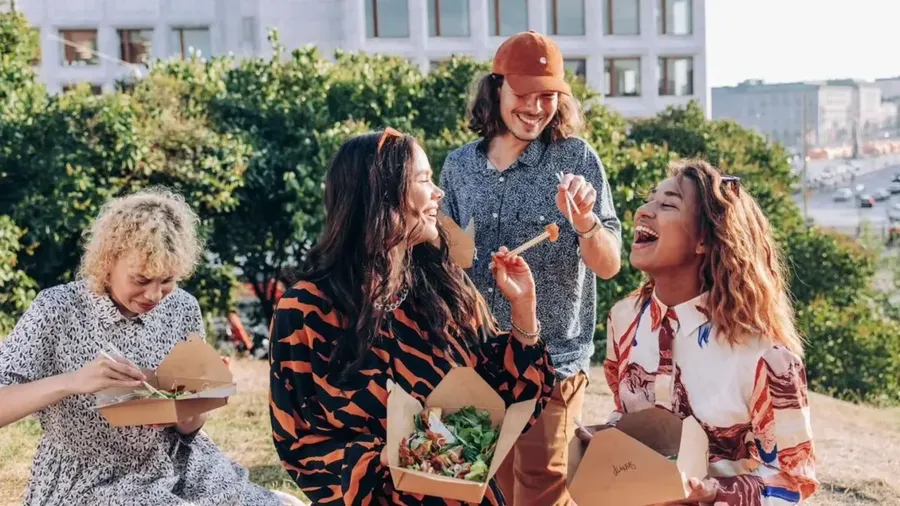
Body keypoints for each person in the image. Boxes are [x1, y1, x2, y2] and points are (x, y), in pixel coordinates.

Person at [268, 129, 556, 505]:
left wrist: (523, 308)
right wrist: (387, 458)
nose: (439, 192)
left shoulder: (445, 285)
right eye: (423, 180)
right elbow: (299, 443)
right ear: (380, 195)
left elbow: (504, 403)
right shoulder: (306, 310)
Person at [0, 189, 298, 506]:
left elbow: (189, 429)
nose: (154, 295)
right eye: (141, 279)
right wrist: (72, 381)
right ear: (107, 263)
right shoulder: (56, 308)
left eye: (167, 280)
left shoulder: (182, 307)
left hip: (179, 467)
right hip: (88, 481)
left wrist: (194, 400)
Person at [439, 30, 622, 506]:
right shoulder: (458, 166)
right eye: (524, 94)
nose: (536, 108)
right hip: (476, 360)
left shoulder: (576, 158)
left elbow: (609, 265)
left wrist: (585, 224)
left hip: (553, 363)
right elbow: (444, 260)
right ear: (496, 86)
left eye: (548, 96)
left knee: (543, 493)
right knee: (485, 491)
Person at [579, 160, 818, 505]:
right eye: (650, 200)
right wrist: (606, 440)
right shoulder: (624, 318)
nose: (644, 211)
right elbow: (627, 413)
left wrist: (714, 492)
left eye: (668, 204)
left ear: (704, 239)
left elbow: (794, 482)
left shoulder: (766, 355)